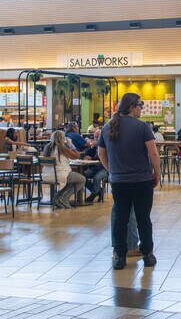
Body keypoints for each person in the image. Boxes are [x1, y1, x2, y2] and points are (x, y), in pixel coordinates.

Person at [97, 93, 161, 270]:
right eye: (140, 105)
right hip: (142, 180)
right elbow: (153, 153)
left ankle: (119, 256)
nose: (142, 109)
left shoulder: (107, 127)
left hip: (119, 182)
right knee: (143, 218)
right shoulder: (143, 127)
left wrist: (112, 171)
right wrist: (157, 173)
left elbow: (101, 153)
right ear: (132, 107)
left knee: (121, 218)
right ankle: (147, 254)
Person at [41, 131, 86, 209]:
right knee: (82, 179)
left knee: (70, 182)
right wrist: (70, 144)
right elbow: (76, 156)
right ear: (62, 138)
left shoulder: (47, 147)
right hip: (60, 174)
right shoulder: (61, 147)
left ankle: (57, 197)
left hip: (46, 175)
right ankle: (65, 198)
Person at [82, 129, 109, 203]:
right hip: (95, 166)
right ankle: (98, 191)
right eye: (95, 137)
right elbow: (86, 155)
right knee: (83, 176)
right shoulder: (95, 145)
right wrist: (92, 147)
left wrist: (92, 158)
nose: (96, 139)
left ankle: (93, 194)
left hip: (106, 168)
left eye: (98, 137)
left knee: (97, 178)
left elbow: (104, 156)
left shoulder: (107, 144)